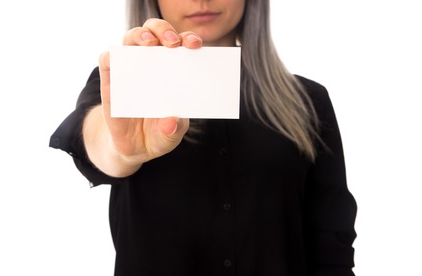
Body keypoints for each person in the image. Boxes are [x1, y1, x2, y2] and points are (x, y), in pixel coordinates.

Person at [50, 0, 357, 275]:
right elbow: (95, 138)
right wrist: (123, 152)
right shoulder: (120, 85)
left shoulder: (309, 100)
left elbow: (332, 248)